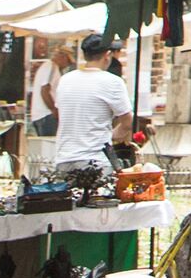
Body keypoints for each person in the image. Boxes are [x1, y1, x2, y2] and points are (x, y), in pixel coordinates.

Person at [46, 32, 139, 174]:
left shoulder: (65, 80)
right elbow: (127, 123)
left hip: (64, 159)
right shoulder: (113, 82)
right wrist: (110, 135)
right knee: (98, 196)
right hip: (95, 161)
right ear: (108, 55)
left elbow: (62, 114)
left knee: (68, 195)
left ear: (84, 56)